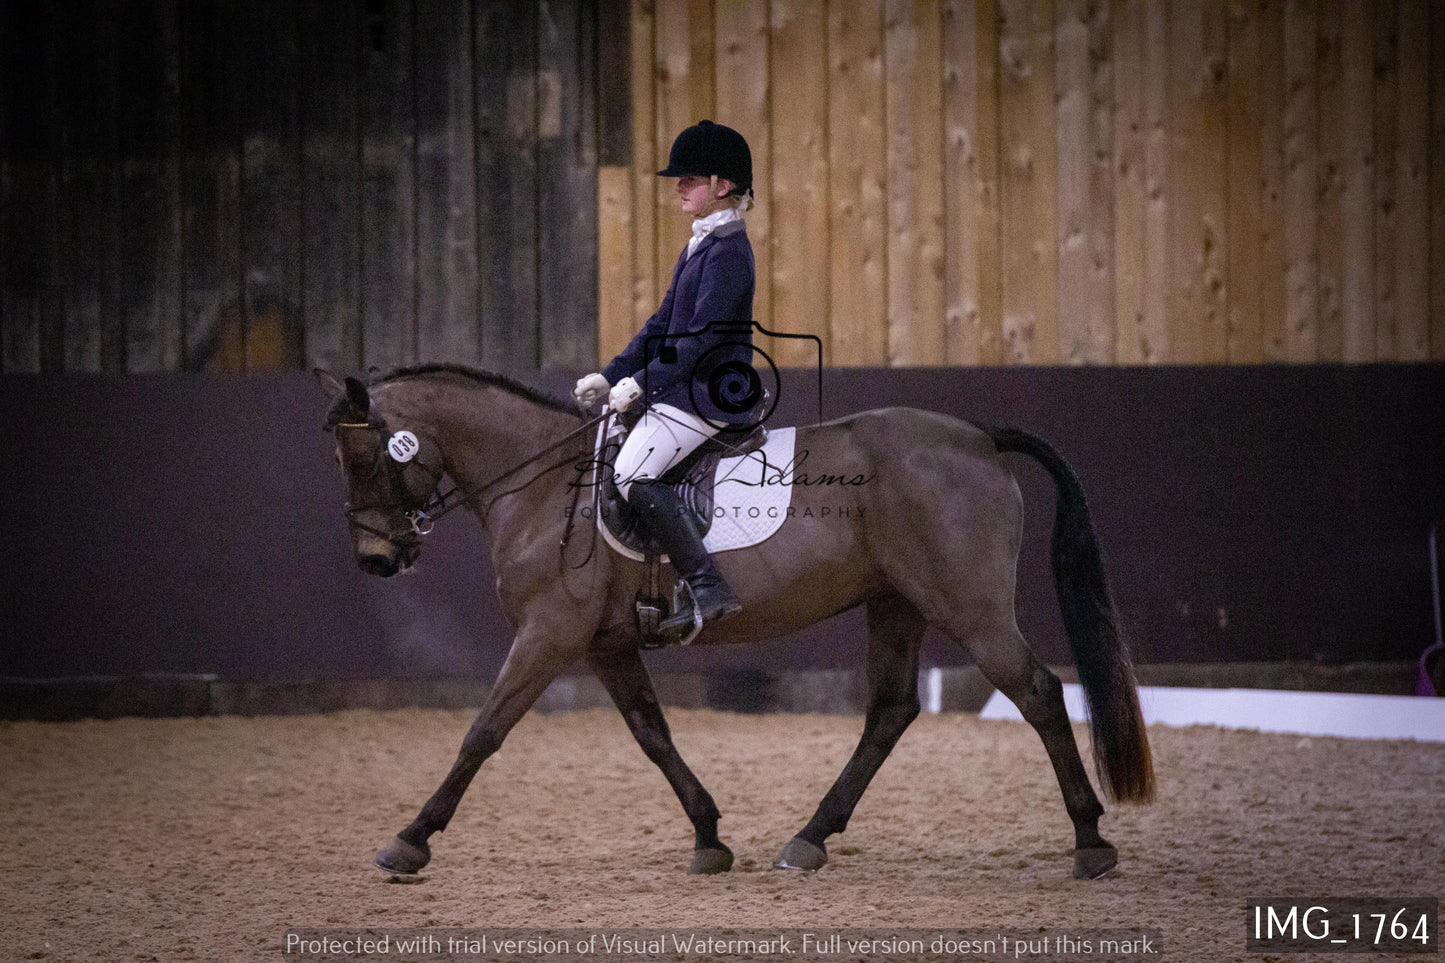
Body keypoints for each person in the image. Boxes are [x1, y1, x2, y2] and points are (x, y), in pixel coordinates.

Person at [574, 120, 755, 626]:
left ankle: (706, 587)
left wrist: (645, 382)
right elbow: (662, 325)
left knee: (632, 473)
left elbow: (700, 341)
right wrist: (612, 376)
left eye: (690, 179)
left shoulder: (730, 253)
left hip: (710, 392)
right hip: (683, 386)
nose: (679, 186)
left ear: (722, 186)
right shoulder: (700, 245)